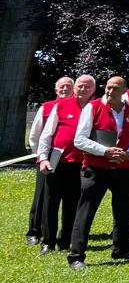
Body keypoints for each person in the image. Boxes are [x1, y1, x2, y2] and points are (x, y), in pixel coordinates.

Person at [66, 76, 129, 269]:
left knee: (124, 212)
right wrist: (104, 151)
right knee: (86, 212)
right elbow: (79, 140)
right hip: (96, 168)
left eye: (115, 88)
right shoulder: (93, 107)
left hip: (122, 169)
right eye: (108, 87)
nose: (110, 91)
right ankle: (76, 256)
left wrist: (127, 153)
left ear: (124, 90)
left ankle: (122, 250)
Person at [37, 75, 96, 255]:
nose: (82, 89)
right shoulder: (61, 105)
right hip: (57, 161)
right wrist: (43, 158)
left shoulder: (95, 108)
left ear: (93, 90)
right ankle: (48, 241)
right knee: (50, 202)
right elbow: (47, 134)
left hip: (81, 163)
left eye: (87, 87)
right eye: (80, 86)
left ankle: (65, 240)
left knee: (72, 203)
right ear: (74, 87)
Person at [26, 76, 73, 247]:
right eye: (61, 87)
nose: (65, 89)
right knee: (41, 197)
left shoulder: (80, 108)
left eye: (68, 86)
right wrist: (40, 156)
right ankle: (34, 231)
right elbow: (35, 135)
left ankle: (61, 234)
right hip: (47, 158)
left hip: (67, 162)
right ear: (56, 90)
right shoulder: (46, 107)